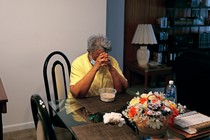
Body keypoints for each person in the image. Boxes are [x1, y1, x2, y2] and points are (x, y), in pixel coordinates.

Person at [69, 34, 128, 99]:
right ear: (89, 52)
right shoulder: (78, 63)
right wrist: (95, 68)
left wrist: (111, 68)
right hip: (84, 102)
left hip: (105, 101)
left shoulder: (112, 61)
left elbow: (122, 89)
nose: (101, 60)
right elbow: (77, 94)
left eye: (104, 55)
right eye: (97, 57)